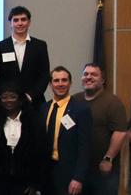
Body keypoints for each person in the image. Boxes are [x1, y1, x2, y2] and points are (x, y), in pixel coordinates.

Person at [0, 85, 46, 195]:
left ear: (20, 100)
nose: (8, 100)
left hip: (25, 185)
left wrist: (35, 184)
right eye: (4, 97)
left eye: (13, 97)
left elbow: (41, 155)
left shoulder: (34, 122)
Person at [71, 63, 127, 195]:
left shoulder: (113, 102)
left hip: (103, 169)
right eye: (86, 74)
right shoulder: (75, 100)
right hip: (80, 170)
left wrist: (108, 158)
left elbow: (119, 132)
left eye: (94, 74)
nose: (89, 77)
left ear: (102, 80)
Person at [42, 66, 92, 195]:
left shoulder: (80, 110)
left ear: (70, 83)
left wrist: (78, 178)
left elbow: (85, 147)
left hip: (69, 174)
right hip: (47, 172)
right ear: (50, 84)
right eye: (56, 81)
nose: (60, 84)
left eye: (64, 80)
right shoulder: (44, 108)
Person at [0, 6, 50, 111]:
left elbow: (44, 75)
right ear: (10, 23)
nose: (20, 23)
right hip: (7, 103)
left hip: (34, 102)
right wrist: (6, 97)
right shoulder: (0, 46)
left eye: (23, 19)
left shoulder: (40, 45)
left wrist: (31, 95)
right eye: (16, 20)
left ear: (29, 22)